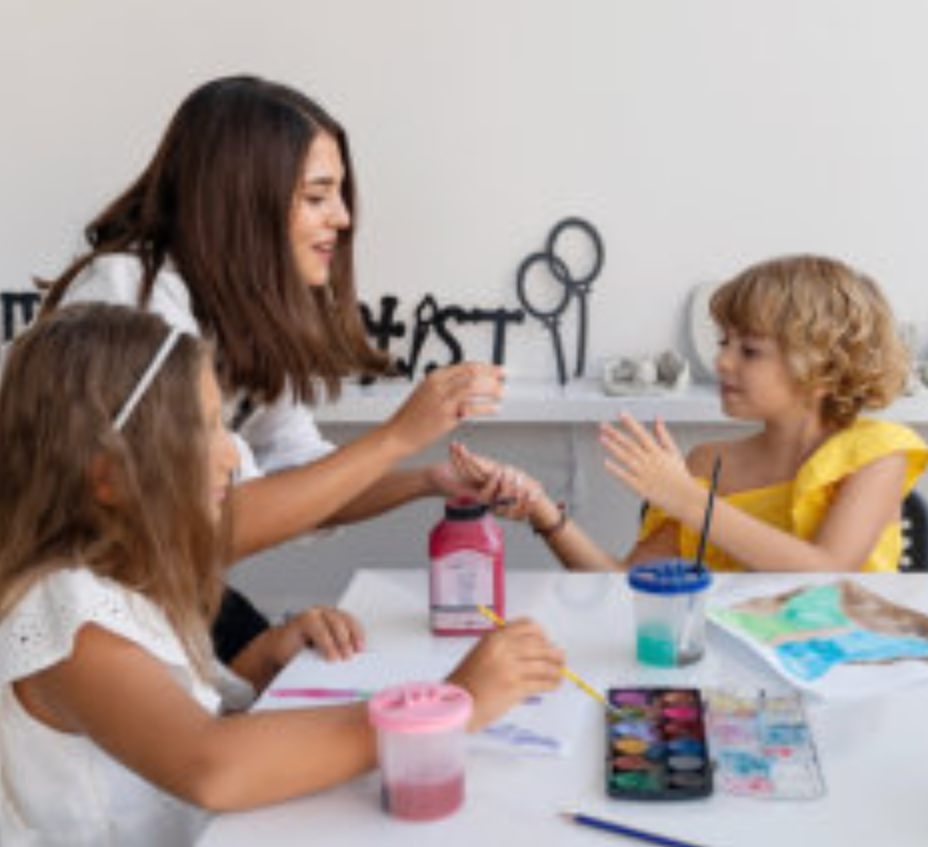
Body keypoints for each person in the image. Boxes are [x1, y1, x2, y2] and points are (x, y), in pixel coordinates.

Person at [0, 303, 565, 846]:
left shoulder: (127, 582)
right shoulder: (64, 614)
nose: (231, 457)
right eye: (206, 430)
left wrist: (261, 659)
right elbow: (209, 764)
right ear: (107, 477)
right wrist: (448, 706)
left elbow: (156, 719)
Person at [38, 75, 508, 658]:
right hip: (86, 616)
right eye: (317, 197)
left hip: (168, 594)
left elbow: (299, 477)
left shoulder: (248, 310)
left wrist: (425, 479)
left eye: (339, 195)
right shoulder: (129, 300)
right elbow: (204, 530)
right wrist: (396, 437)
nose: (343, 217)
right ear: (243, 201)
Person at [453, 255, 928, 573]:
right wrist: (543, 511)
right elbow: (622, 582)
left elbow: (827, 572)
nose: (723, 361)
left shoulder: (877, 453)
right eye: (724, 342)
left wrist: (688, 500)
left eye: (749, 350)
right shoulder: (709, 464)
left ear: (822, 369)